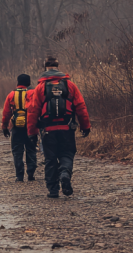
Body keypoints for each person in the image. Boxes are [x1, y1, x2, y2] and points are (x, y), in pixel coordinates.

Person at [27, 56, 91, 198]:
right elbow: (81, 107)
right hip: (67, 129)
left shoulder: (40, 88)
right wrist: (85, 126)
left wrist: (32, 133)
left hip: (48, 131)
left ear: (45, 68)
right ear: (58, 67)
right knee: (67, 154)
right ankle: (64, 173)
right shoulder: (70, 86)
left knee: (50, 159)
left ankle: (53, 190)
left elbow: (32, 111)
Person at [2, 74, 37, 182]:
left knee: (17, 152)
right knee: (31, 150)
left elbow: (6, 113)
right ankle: (31, 172)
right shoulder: (33, 93)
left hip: (17, 127)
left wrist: (4, 127)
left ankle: (19, 175)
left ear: (18, 82)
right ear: (29, 83)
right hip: (31, 127)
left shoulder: (11, 95)